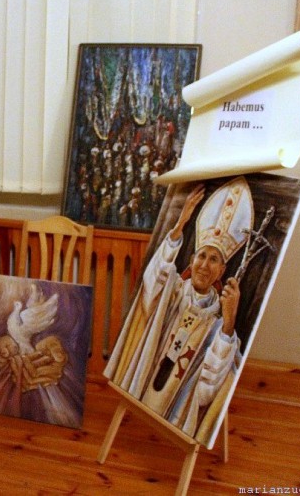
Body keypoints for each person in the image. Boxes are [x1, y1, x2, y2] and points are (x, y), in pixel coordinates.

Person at [104, 177, 253, 444]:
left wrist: (229, 321)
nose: (204, 265)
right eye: (201, 256)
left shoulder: (218, 326)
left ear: (222, 270)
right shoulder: (172, 292)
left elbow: (207, 392)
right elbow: (152, 283)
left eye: (214, 260)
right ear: (192, 259)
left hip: (178, 411)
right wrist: (180, 224)